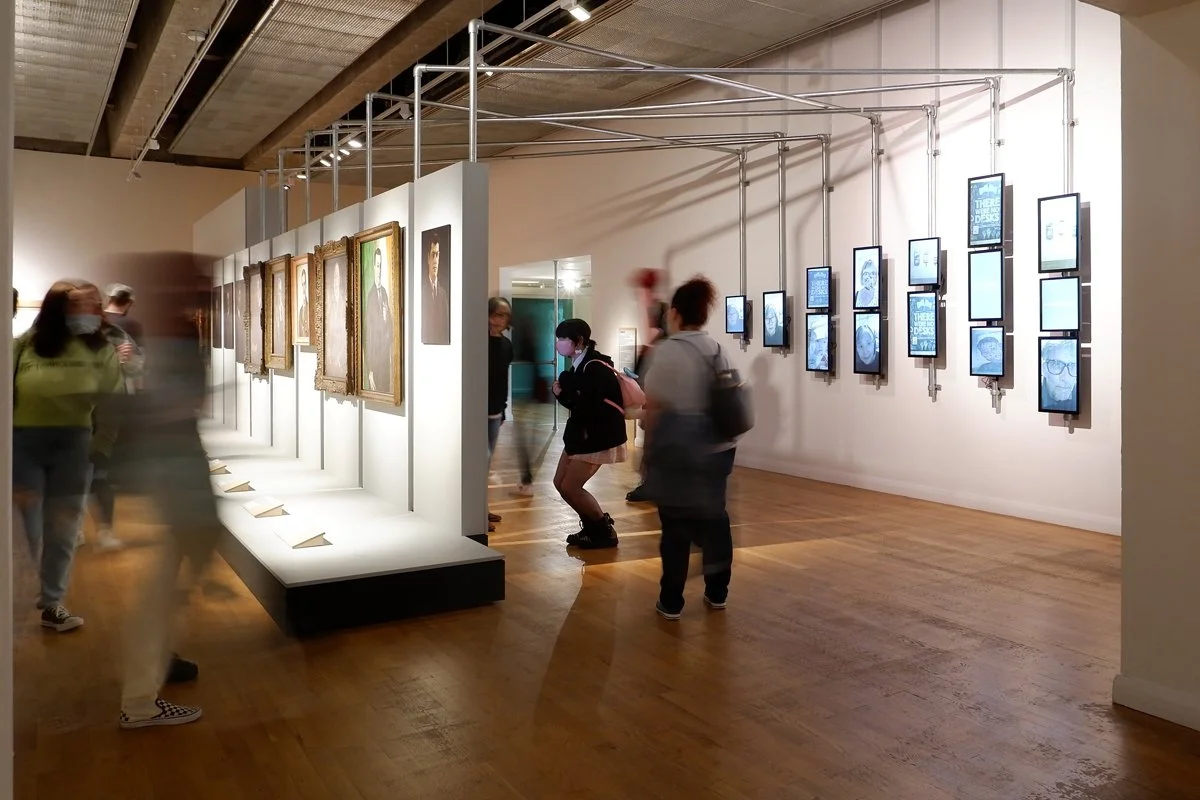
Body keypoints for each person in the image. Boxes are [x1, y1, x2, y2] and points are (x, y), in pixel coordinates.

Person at [112, 252, 219, 729]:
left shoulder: (164, 333)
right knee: (158, 596)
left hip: (172, 478)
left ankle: (158, 664)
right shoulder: (170, 336)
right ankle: (139, 703)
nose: (206, 287)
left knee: (164, 588)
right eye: (195, 280)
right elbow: (172, 413)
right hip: (175, 482)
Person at [13, 279, 123, 632]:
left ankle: (52, 602)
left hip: (74, 444)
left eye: (93, 304)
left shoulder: (101, 348)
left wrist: (103, 446)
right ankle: (15, 596)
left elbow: (113, 401)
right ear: (58, 308)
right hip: (21, 443)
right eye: (78, 304)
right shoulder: (26, 345)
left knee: (63, 528)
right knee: (24, 526)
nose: (89, 311)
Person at [642, 276, 740, 620]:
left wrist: (647, 453)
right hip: (720, 447)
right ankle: (718, 592)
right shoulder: (717, 348)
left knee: (675, 524)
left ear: (676, 314)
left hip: (678, 447)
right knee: (716, 516)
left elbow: (653, 406)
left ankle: (671, 600)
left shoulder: (668, 352)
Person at [552, 318, 626, 549]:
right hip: (581, 435)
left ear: (580, 341)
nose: (560, 343)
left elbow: (586, 405)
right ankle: (592, 527)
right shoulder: (580, 364)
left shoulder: (593, 367)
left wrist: (562, 395)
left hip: (596, 437)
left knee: (570, 487)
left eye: (564, 338)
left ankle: (603, 531)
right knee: (559, 483)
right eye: (559, 338)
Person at [81, 310, 146, 552]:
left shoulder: (115, 334)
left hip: (106, 411)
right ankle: (71, 529)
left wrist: (128, 362)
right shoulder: (58, 336)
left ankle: (105, 530)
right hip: (67, 414)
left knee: (99, 472)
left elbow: (137, 368)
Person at [627, 267, 668, 503]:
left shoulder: (661, 346)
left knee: (655, 443)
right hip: (654, 399)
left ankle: (652, 483)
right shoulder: (656, 346)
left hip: (658, 402)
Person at [487, 298, 514, 531]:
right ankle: (475, 512)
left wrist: (503, 409)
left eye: (503, 316)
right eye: (495, 314)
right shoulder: (478, 340)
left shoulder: (506, 345)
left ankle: (481, 509)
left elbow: (503, 378)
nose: (498, 320)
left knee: (486, 464)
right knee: (478, 462)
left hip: (495, 411)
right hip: (477, 410)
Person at [364, 247, 393, 392]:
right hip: (375, 365)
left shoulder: (385, 293)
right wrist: (370, 370)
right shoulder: (371, 297)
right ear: (374, 268)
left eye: (381, 265)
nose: (379, 269)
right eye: (377, 265)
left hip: (385, 360)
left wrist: (386, 317)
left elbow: (391, 328)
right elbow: (368, 336)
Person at [422, 231, 450, 344]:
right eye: (433, 255)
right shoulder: (422, 292)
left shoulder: (443, 294)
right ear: (428, 258)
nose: (435, 261)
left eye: (437, 255)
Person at [1040, 340, 1079, 413]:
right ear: (1044, 369)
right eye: (1057, 365)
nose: (1066, 378)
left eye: (1072, 366)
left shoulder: (1085, 398)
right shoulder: (1033, 397)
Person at [296, 264, 310, 339]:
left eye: (304, 284)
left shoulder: (311, 308)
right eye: (302, 284)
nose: (303, 287)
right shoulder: (301, 310)